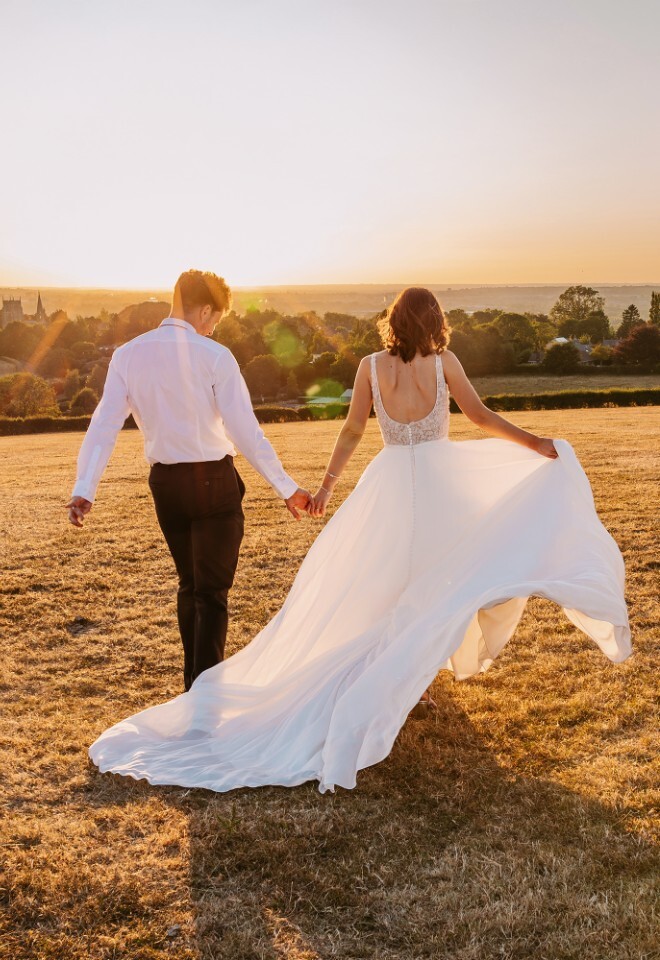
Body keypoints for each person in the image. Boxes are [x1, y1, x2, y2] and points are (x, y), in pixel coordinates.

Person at [87, 287, 631, 794]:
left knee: (391, 580)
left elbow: (351, 432)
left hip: (389, 484)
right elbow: (480, 416)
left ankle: (410, 677)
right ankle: (409, 678)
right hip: (440, 483)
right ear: (437, 323)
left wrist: (324, 489)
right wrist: (536, 442)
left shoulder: (371, 367)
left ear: (392, 323)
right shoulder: (445, 364)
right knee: (446, 574)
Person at [67, 269, 311, 692]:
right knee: (211, 594)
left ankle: (194, 689)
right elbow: (245, 432)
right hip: (213, 482)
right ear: (203, 309)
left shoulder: (127, 354)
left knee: (191, 586)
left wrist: (84, 489)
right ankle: (204, 698)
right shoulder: (214, 356)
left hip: (165, 486)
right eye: (215, 317)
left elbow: (103, 426)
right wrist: (287, 488)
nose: (214, 327)